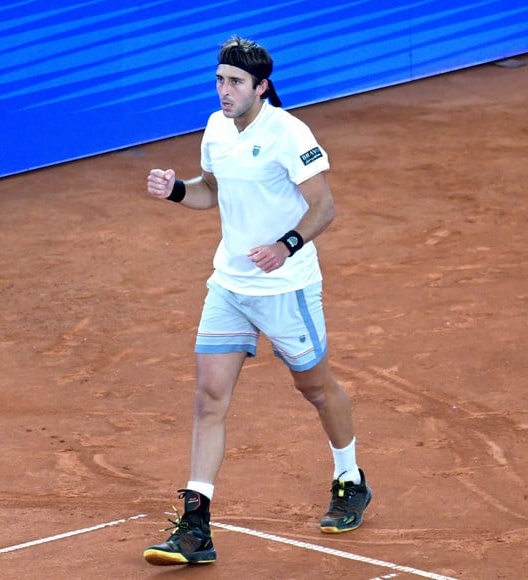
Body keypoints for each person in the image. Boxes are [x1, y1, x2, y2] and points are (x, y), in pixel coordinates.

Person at [142, 36, 372, 566]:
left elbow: (324, 206)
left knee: (315, 387)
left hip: (286, 289)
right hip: (229, 285)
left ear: (261, 86)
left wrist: (285, 245)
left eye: (235, 83)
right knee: (208, 398)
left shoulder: (289, 134)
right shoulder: (216, 128)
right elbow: (212, 192)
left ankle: (350, 477)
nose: (224, 91)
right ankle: (196, 526)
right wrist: (177, 189)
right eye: (220, 80)